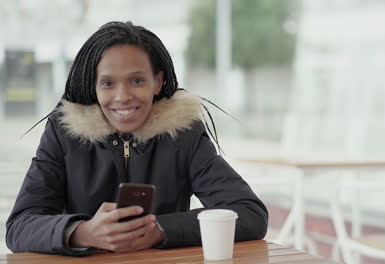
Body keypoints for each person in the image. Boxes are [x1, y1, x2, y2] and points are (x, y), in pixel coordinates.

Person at [6, 21, 268, 256]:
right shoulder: (63, 134)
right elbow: (19, 227)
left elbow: (249, 213)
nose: (122, 96)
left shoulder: (183, 134)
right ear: (93, 87)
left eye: (136, 81)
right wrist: (83, 232)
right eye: (107, 84)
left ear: (157, 82)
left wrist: (160, 229)